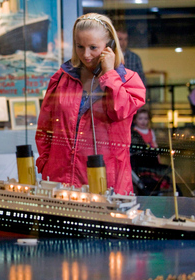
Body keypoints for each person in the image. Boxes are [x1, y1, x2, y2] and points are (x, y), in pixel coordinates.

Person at [35, 13, 146, 195]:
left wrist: (110, 74)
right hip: (60, 181)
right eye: (80, 46)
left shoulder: (129, 80)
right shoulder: (62, 78)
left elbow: (119, 111)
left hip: (106, 181)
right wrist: (46, 163)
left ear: (109, 46)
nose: (86, 55)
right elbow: (45, 126)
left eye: (93, 47)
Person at [130, 109, 171, 195]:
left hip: (151, 158)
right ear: (135, 120)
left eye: (146, 118)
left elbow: (154, 144)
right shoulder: (134, 132)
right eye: (140, 118)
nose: (143, 121)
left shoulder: (150, 131)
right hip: (141, 160)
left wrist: (157, 156)